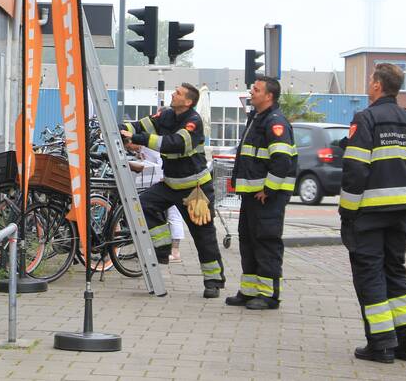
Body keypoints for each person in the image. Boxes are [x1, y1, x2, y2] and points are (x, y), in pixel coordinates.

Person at [339, 62, 406, 364]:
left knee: (370, 275)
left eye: (370, 80)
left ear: (378, 85)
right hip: (400, 215)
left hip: (368, 215)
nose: (369, 84)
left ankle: (381, 344)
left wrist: (348, 212)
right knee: (395, 272)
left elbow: (355, 170)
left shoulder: (366, 119)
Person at [120, 83, 224, 297]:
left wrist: (136, 138)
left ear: (188, 102)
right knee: (143, 204)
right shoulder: (166, 115)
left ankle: (213, 281)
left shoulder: (193, 121)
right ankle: (163, 248)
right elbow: (140, 125)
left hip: (195, 189)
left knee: (203, 236)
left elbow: (175, 143)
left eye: (178, 93)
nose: (173, 94)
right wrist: (122, 128)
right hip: (170, 184)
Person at [225, 76, 296, 311]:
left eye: (256, 89)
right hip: (252, 195)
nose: (251, 92)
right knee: (248, 241)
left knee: (266, 242)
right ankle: (249, 291)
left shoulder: (275, 122)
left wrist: (269, 189)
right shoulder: (257, 118)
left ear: (269, 96)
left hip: (267, 197)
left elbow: (282, 160)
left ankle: (269, 295)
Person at [128, 145, 184, 261]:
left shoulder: (151, 147)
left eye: (128, 144)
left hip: (169, 183)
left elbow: (162, 160)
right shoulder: (144, 148)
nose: (129, 148)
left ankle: (175, 251)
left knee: (174, 215)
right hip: (159, 184)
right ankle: (156, 249)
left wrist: (165, 176)